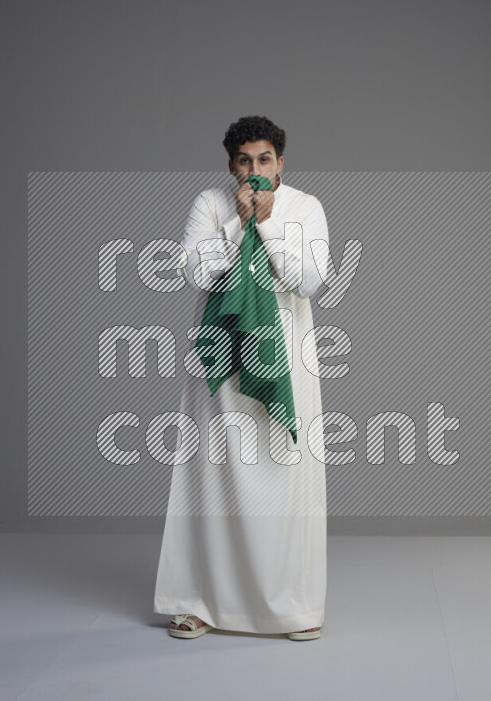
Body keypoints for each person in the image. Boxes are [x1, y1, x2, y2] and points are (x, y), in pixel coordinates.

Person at [153, 115, 330, 641]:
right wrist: (238, 223)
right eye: (245, 162)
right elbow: (193, 272)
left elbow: (310, 279)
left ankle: (293, 606)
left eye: (265, 161)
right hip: (223, 351)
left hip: (286, 351)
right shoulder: (210, 205)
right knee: (213, 475)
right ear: (232, 166)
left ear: (281, 162)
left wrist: (269, 224)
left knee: (285, 472)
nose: (255, 172)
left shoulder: (306, 207)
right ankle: (199, 601)